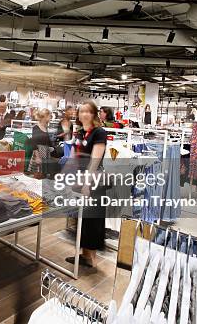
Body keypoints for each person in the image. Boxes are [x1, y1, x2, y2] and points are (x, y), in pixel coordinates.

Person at [65, 100, 107, 268]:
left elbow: (95, 160)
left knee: (92, 219)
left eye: (88, 111)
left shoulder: (99, 133)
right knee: (82, 218)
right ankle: (85, 256)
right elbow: (73, 159)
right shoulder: (80, 133)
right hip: (79, 178)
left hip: (93, 180)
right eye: (81, 111)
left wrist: (87, 183)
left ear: (94, 114)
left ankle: (90, 258)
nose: (84, 114)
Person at [28, 108, 53, 178]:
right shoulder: (36, 127)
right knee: (38, 175)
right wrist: (37, 157)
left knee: (43, 175)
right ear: (44, 116)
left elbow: (47, 142)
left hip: (45, 153)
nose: (50, 118)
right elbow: (34, 143)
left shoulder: (45, 127)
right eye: (49, 116)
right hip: (39, 153)